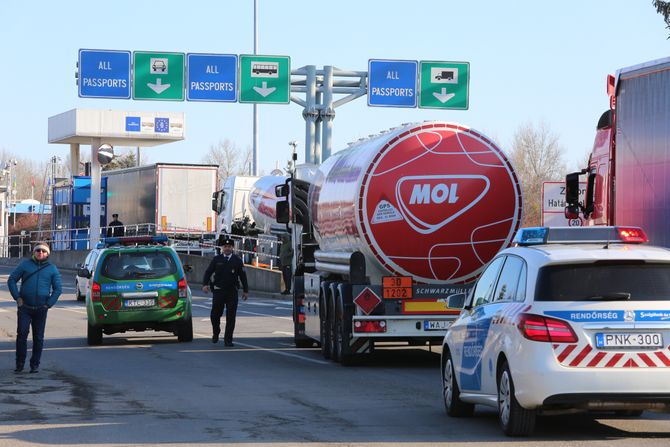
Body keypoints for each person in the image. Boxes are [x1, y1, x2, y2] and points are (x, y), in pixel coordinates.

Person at [7, 242, 62, 373]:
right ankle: (19, 363)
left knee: (38, 337)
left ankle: (34, 364)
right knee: (22, 335)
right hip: (24, 307)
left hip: (41, 308)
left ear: (47, 254)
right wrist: (17, 298)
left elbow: (58, 289)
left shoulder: (52, 268)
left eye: (43, 251)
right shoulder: (25, 265)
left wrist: (48, 304)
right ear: (34, 252)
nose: (40, 253)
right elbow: (11, 280)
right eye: (38, 251)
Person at [202, 237, 249, 346]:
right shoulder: (217, 259)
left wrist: (245, 291)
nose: (227, 248)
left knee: (231, 317)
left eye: (229, 247)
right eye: (225, 247)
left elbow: (243, 276)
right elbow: (208, 272)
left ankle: (228, 340)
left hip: (232, 292)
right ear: (222, 248)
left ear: (232, 248)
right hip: (218, 291)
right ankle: (216, 332)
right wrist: (205, 284)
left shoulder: (237, 261)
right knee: (214, 315)